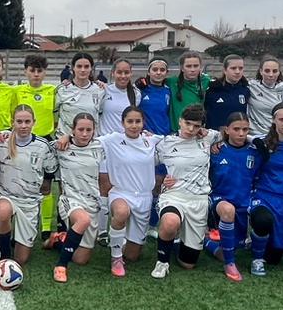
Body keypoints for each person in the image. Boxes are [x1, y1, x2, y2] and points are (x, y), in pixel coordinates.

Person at [151, 104, 213, 279]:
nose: (191, 129)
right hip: (174, 196)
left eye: (196, 126)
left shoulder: (208, 138)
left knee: (188, 264)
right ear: (180, 121)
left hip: (198, 200)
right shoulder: (165, 143)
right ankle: (162, 262)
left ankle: (177, 241)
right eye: (187, 123)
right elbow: (144, 161)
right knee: (170, 222)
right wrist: (159, 180)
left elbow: (230, 134)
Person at [98, 105, 160, 277]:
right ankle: (116, 258)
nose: (134, 125)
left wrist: (205, 133)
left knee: (132, 256)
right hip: (121, 193)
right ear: (123, 123)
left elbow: (176, 141)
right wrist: (67, 137)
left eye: (137, 121)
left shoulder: (151, 140)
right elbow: (88, 140)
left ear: (143, 123)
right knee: (121, 212)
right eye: (130, 121)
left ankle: (121, 241)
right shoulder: (112, 140)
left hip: (144, 197)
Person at [0, 105, 56, 267]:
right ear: (12, 122)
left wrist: (43, 187)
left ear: (34, 122)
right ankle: (4, 256)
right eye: (19, 121)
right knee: (4, 212)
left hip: (30, 201)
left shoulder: (43, 146)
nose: (23, 126)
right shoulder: (2, 143)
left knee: (21, 259)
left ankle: (17, 240)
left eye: (27, 121)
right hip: (5, 194)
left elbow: (50, 171)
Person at [246, 103, 283, 276]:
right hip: (264, 196)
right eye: (282, 119)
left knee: (274, 257)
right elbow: (238, 137)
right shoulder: (262, 142)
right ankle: (257, 260)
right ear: (273, 120)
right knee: (263, 221)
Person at [50, 113, 105, 284]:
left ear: (94, 130)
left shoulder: (100, 146)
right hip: (70, 199)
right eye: (80, 129)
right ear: (73, 130)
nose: (84, 133)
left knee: (81, 259)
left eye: (89, 130)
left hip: (92, 203)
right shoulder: (61, 146)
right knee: (83, 220)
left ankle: (58, 240)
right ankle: (61, 266)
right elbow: (38, 145)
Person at [11, 53, 60, 239]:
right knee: (20, 186)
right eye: (32, 70)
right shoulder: (16, 91)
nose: (36, 74)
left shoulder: (53, 91)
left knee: (46, 186)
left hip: (45, 141)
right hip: (23, 141)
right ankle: (17, 227)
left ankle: (46, 228)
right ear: (26, 71)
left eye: (40, 70)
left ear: (45, 72)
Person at [203, 112, 256, 282]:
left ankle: (207, 243)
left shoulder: (256, 152)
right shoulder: (215, 151)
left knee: (230, 249)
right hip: (220, 200)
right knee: (228, 210)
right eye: (236, 129)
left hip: (245, 201)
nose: (241, 133)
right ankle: (230, 264)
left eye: (245, 130)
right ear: (226, 130)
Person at [56, 53, 106, 140]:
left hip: (89, 142)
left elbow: (101, 116)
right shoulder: (62, 89)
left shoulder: (100, 90)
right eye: (79, 66)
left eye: (86, 67)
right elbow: (54, 115)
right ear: (73, 68)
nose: (83, 70)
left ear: (91, 68)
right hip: (65, 142)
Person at [203, 55, 252, 131]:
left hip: (237, 135)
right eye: (233, 68)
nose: (237, 71)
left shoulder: (246, 90)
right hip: (214, 135)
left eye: (240, 68)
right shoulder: (212, 89)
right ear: (225, 70)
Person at [246, 58, 283, 138]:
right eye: (267, 71)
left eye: (275, 71)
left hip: (275, 136)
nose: (271, 74)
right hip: (254, 136)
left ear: (279, 72)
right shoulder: (251, 86)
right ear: (261, 71)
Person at [98, 59, 141, 139]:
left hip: (125, 141)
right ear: (113, 73)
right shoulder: (104, 90)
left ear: (131, 73)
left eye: (126, 72)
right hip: (105, 140)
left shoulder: (136, 94)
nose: (123, 76)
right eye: (119, 72)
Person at [169, 51, 209, 131]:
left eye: (196, 66)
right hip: (175, 132)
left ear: (201, 67)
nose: (192, 69)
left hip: (196, 131)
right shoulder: (171, 82)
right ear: (182, 68)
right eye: (188, 66)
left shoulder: (206, 82)